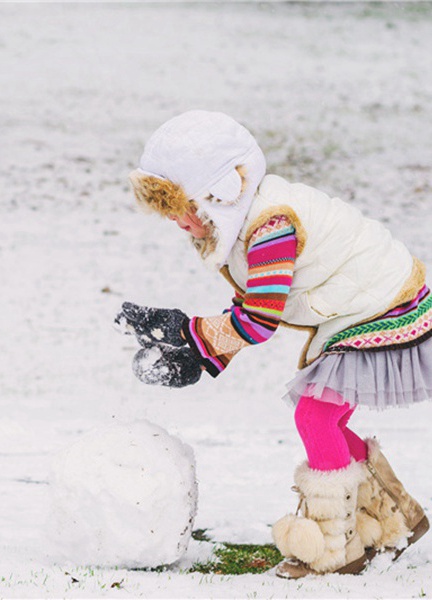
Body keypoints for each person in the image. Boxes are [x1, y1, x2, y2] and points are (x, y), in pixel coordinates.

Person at [115, 110, 430, 579]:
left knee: (315, 413)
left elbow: (259, 320)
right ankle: (393, 517)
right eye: (168, 210)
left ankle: (333, 547)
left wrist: (187, 332)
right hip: (361, 302)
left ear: (224, 192)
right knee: (325, 411)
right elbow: (253, 305)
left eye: (185, 205)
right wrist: (202, 358)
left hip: (382, 304)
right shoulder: (251, 222)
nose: (179, 222)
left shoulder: (271, 227)